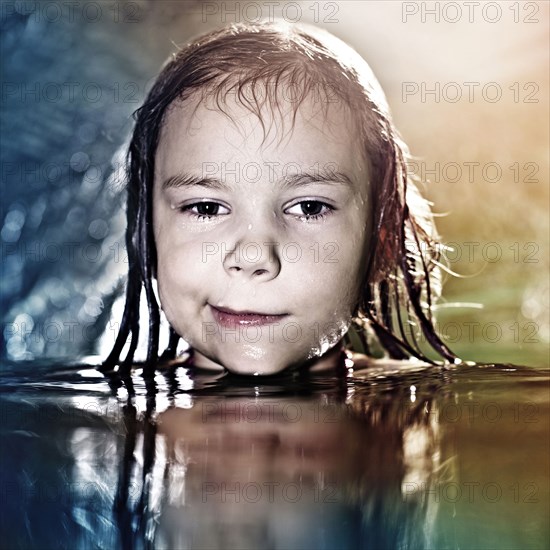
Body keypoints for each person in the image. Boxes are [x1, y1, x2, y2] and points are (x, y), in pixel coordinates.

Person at [103, 20, 457, 378]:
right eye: (206, 208)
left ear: (383, 244)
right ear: (148, 236)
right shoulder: (102, 412)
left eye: (310, 207)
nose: (254, 256)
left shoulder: (421, 406)